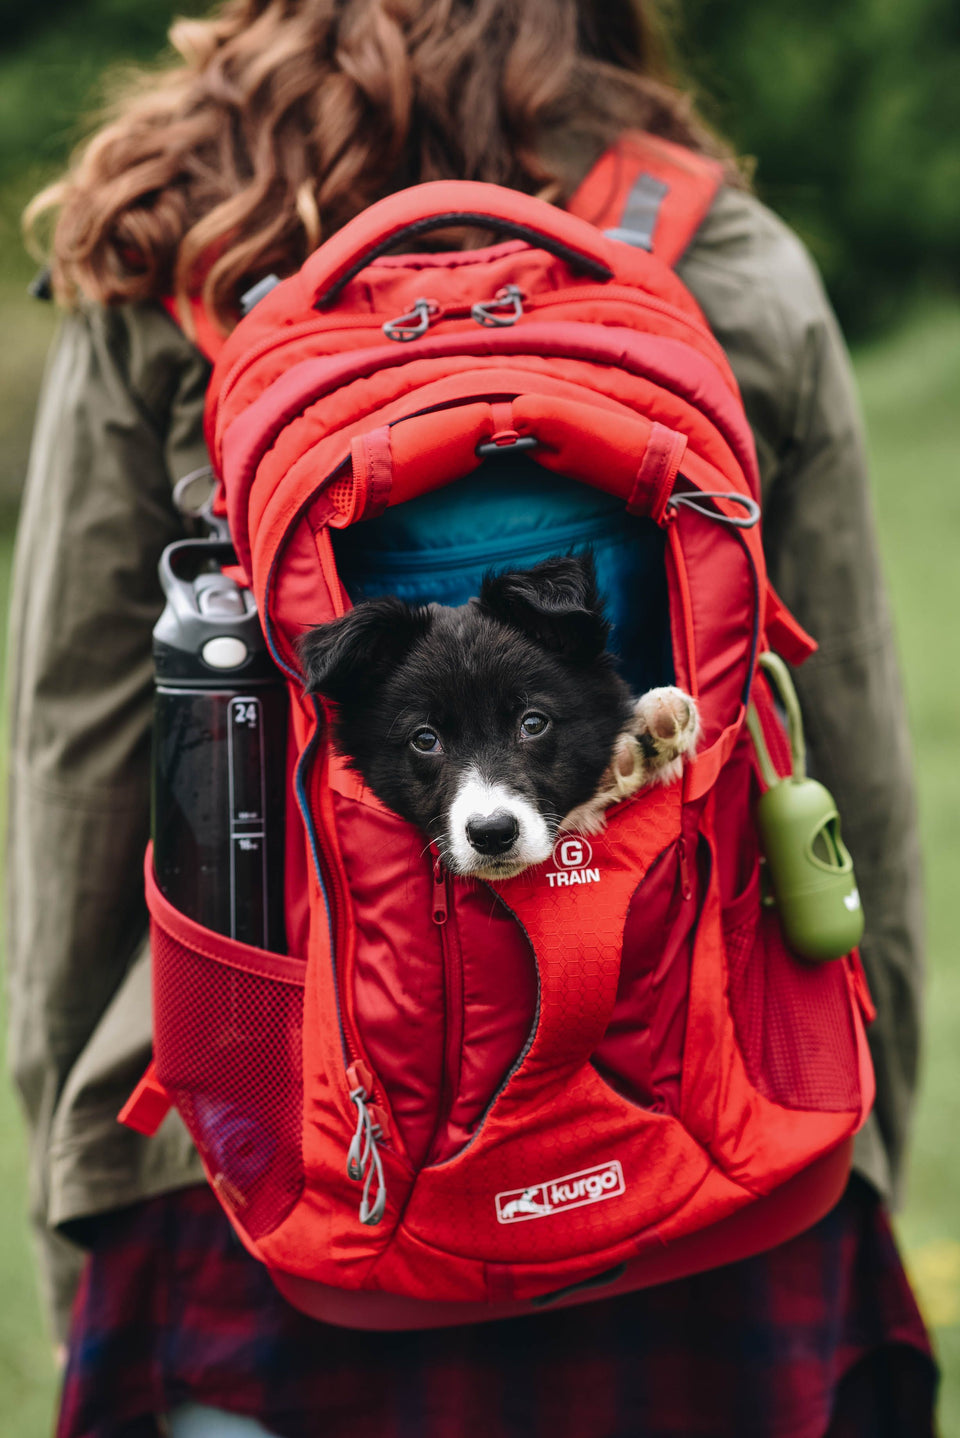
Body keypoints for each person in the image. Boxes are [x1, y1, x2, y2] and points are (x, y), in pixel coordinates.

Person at [8, 1, 935, 1434]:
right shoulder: (718, 254)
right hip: (705, 1146)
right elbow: (845, 749)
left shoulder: (179, 253)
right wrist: (859, 1134)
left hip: (278, 1165)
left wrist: (91, 1168)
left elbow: (78, 758)